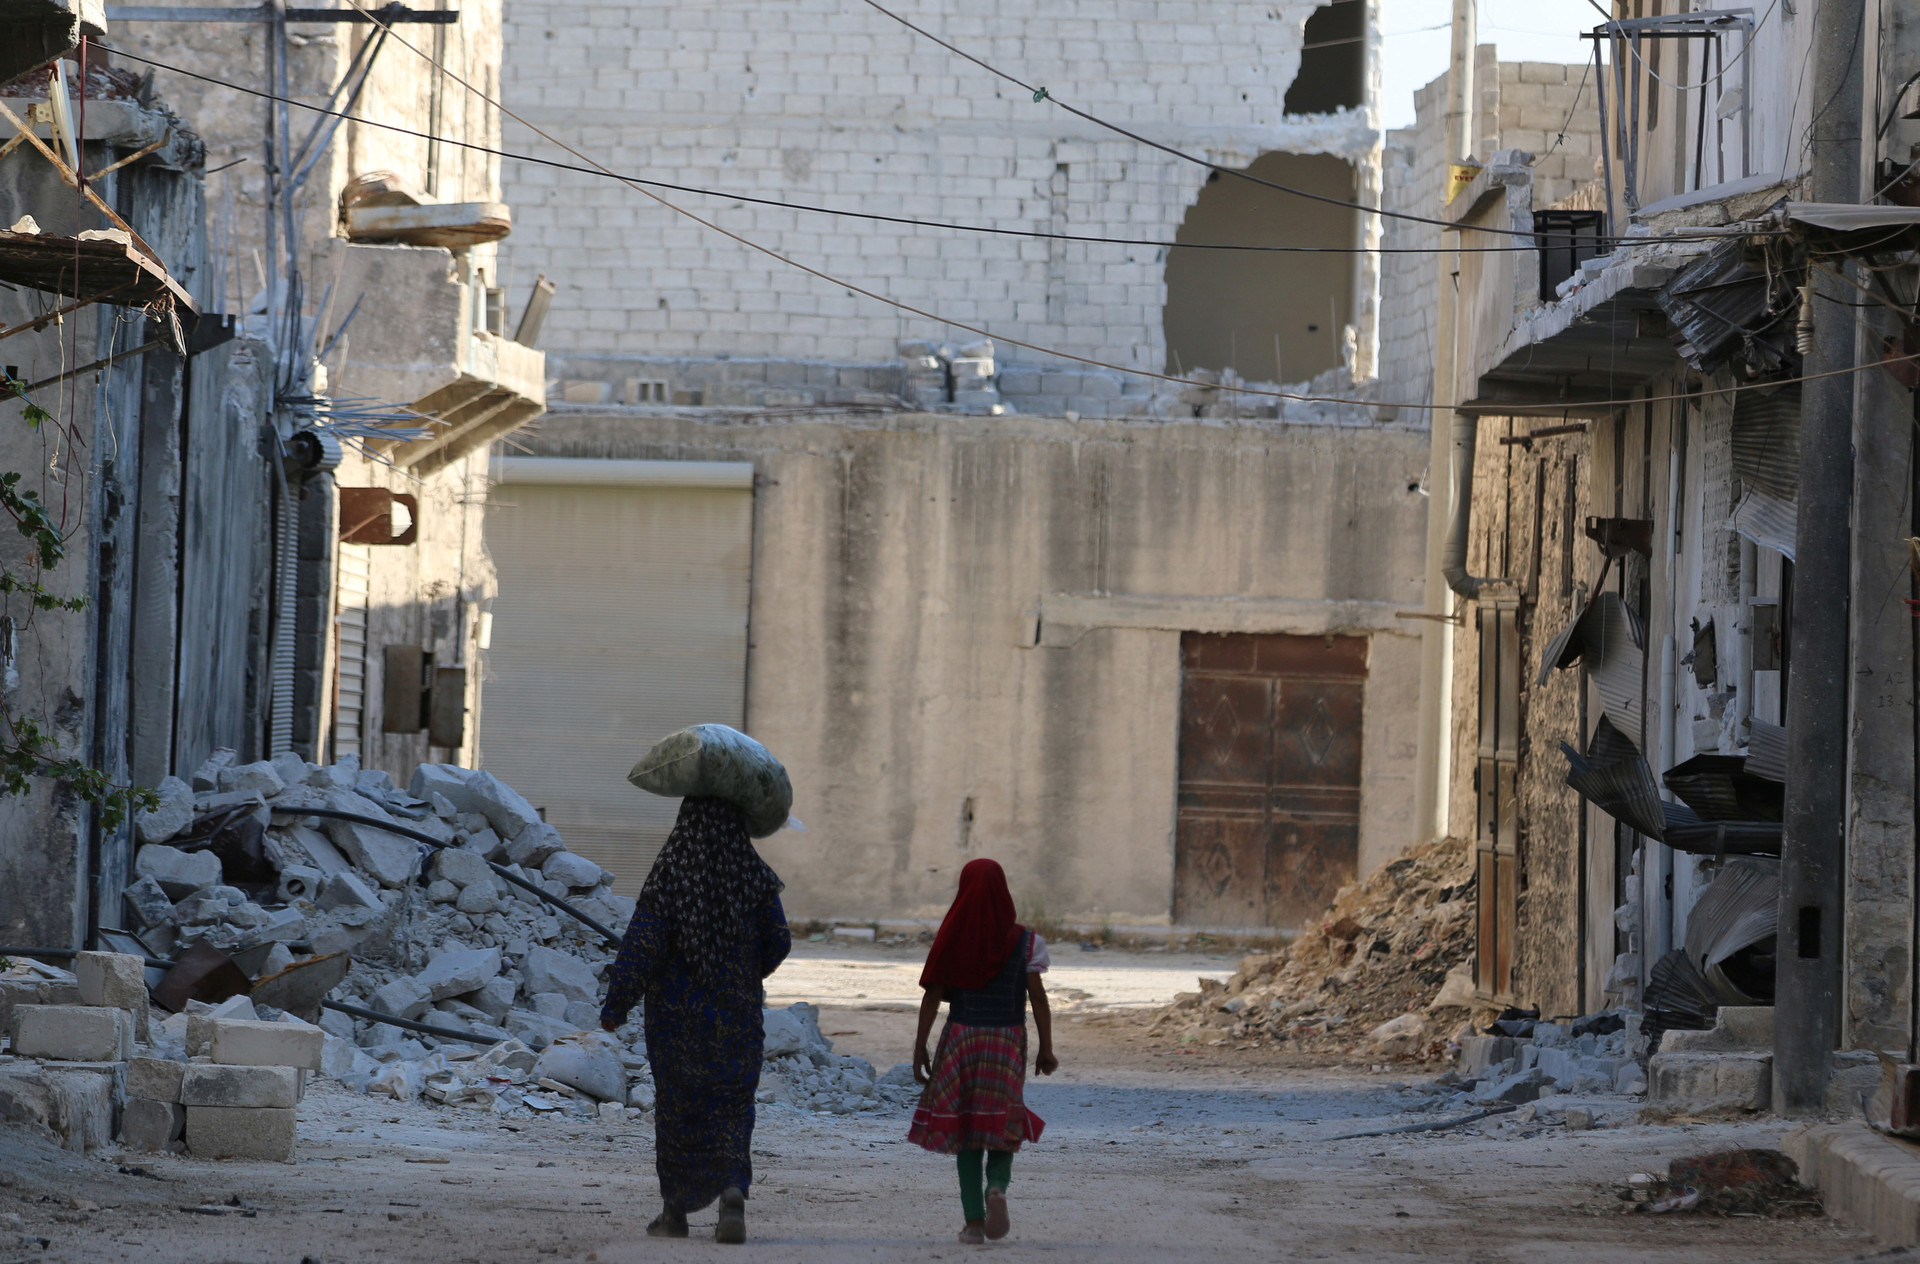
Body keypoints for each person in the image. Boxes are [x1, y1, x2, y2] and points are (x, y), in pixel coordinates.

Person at [600, 795, 790, 1244]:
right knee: (732, 1105)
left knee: (679, 1109)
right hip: (736, 1016)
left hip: (675, 1021)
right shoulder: (754, 876)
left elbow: (642, 945)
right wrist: (743, 971)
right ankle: (730, 1194)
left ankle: (675, 1212)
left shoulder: (670, 875)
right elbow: (778, 940)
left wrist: (616, 1005)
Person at [907, 858, 1058, 1245]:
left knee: (966, 1128)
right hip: (1006, 1042)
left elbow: (933, 996)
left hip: (962, 1040)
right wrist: (1046, 1047)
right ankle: (998, 1188)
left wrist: (920, 1046)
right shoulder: (1027, 943)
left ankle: (974, 1223)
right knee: (1003, 1122)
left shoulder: (952, 937)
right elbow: (1038, 998)